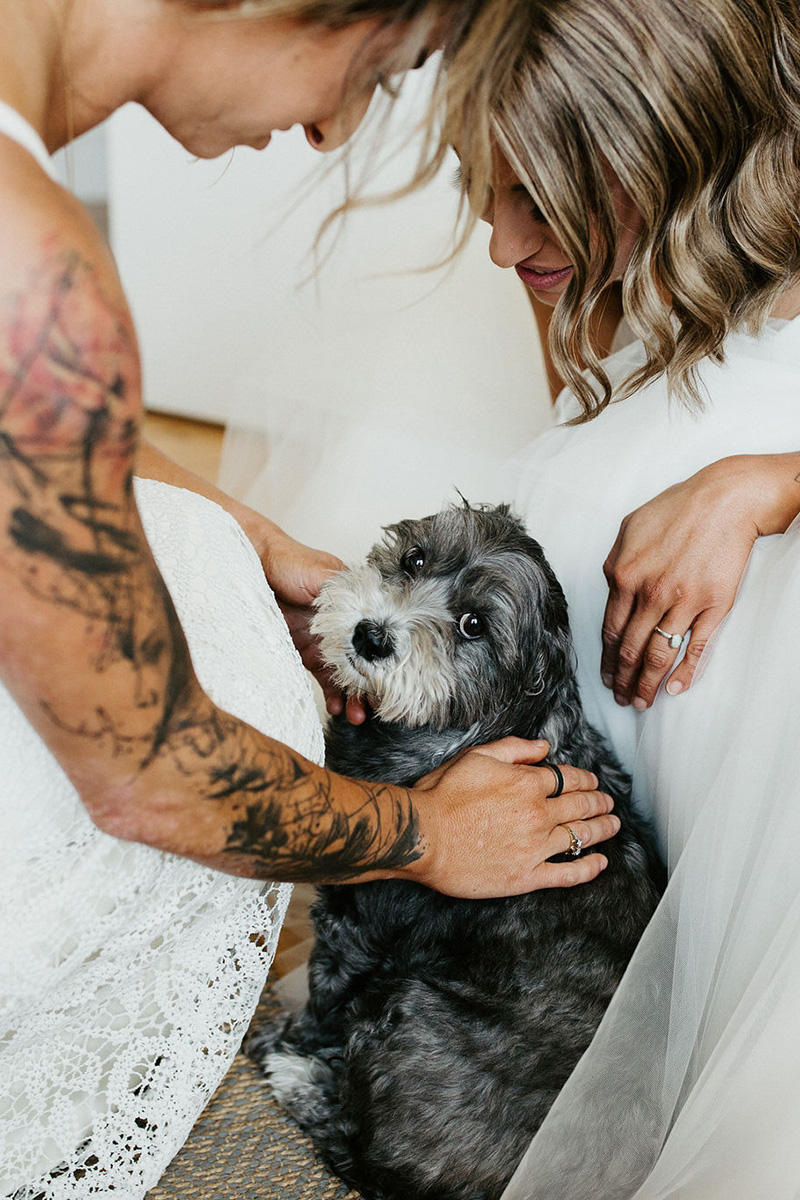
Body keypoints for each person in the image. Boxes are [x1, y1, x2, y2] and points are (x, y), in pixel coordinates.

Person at [0, 1, 622, 1195]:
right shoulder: (34, 265)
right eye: (372, 73)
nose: (332, 131)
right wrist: (428, 836)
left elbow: (63, 429)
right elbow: (146, 777)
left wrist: (259, 547)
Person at [453, 0, 800, 1194]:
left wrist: (769, 483)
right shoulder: (618, 284)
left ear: (677, 150)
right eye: (480, 191)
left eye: (541, 199)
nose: (501, 246)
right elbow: (580, 404)